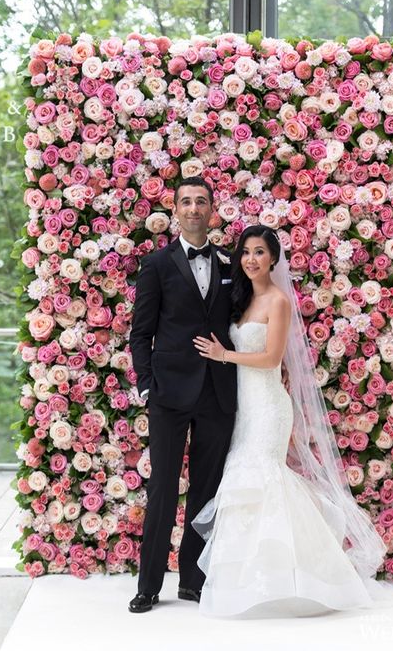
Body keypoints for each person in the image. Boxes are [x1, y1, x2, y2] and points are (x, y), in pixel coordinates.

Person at [192, 225, 388, 618]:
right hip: (244, 406)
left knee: (262, 478)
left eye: (260, 252)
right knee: (247, 485)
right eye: (245, 251)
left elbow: (270, 358)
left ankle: (300, 580)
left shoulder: (278, 301)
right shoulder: (242, 297)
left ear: (274, 259)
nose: (251, 259)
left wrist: (222, 355)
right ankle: (251, 581)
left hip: (267, 407)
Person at [128, 176, 237, 613]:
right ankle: (148, 586)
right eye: (186, 202)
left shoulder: (231, 264)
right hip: (169, 394)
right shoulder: (157, 264)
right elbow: (141, 333)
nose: (194, 209)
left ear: (213, 210)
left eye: (201, 201)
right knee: (162, 490)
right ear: (175, 210)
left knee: (206, 491)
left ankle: (192, 581)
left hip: (217, 393)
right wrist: (147, 383)